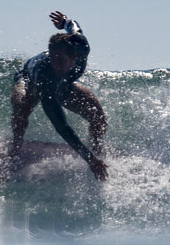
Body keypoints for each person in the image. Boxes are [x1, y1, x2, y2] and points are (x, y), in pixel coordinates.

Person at [10, 11, 109, 181]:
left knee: (98, 118)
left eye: (60, 60)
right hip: (29, 79)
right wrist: (88, 159)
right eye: (52, 59)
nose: (55, 65)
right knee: (21, 110)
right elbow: (61, 125)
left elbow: (74, 27)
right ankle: (14, 149)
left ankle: (98, 149)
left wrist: (64, 22)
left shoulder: (81, 45)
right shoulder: (45, 75)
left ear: (73, 56)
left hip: (63, 85)